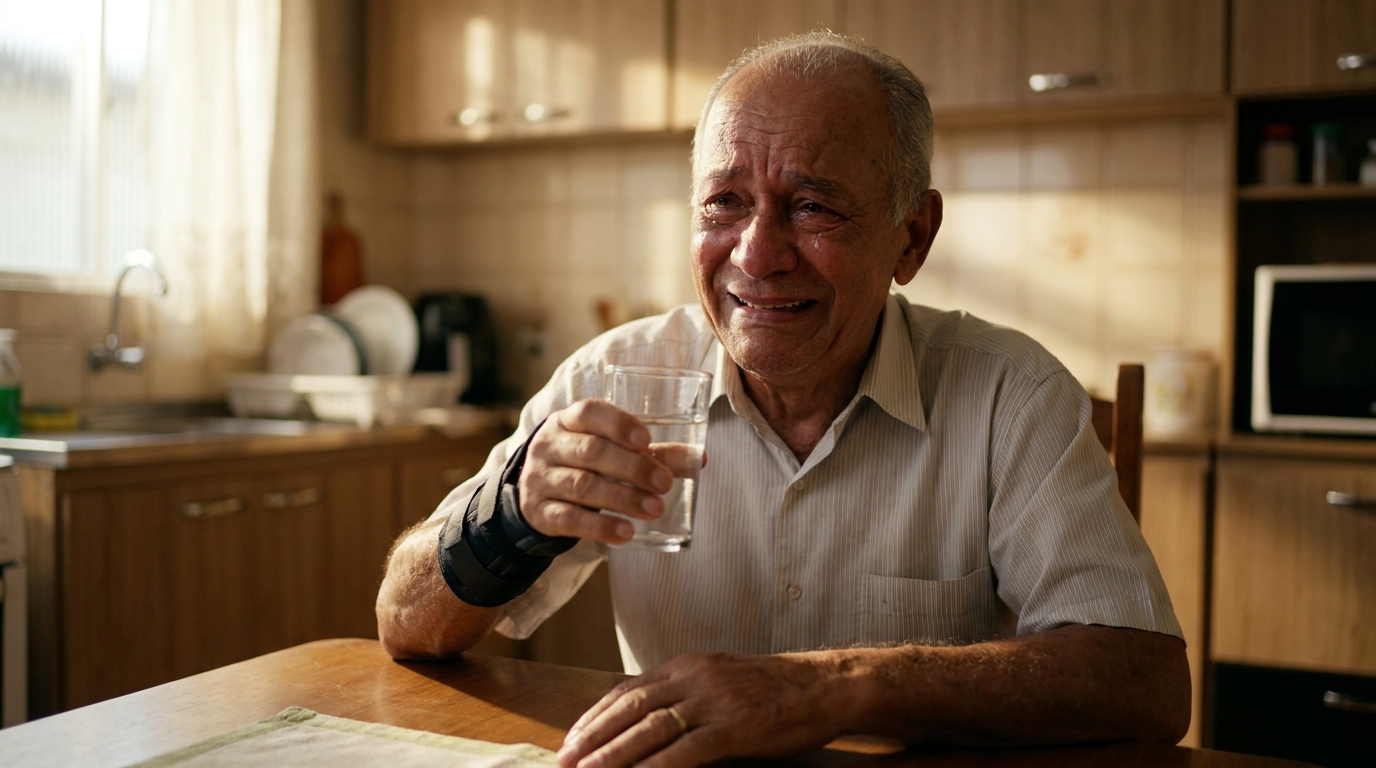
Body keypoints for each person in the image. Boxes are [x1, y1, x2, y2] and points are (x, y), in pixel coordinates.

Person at [375, 31, 1190, 768]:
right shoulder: (616, 378)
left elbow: (1144, 684)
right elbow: (404, 625)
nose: (757, 256)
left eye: (812, 206)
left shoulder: (1010, 393)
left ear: (912, 237)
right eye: (724, 202)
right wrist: (508, 515)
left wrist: (835, 686)